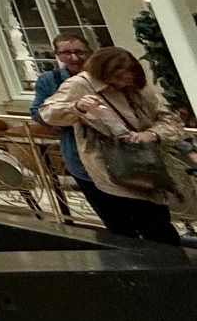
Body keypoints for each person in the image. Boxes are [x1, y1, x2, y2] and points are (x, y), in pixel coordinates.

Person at [37, 47, 186, 245]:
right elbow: (47, 112)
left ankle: (171, 268)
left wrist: (151, 134)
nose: (125, 82)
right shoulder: (80, 85)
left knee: (157, 222)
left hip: (146, 163)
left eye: (129, 77)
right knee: (128, 225)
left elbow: (167, 118)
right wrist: (78, 107)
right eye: (119, 78)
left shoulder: (136, 85)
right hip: (108, 168)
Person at [30, 35, 111, 227]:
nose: (74, 58)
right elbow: (37, 111)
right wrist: (63, 118)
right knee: (106, 211)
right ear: (58, 55)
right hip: (78, 153)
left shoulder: (104, 75)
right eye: (67, 53)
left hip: (114, 150)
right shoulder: (49, 80)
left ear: (89, 52)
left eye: (79, 52)